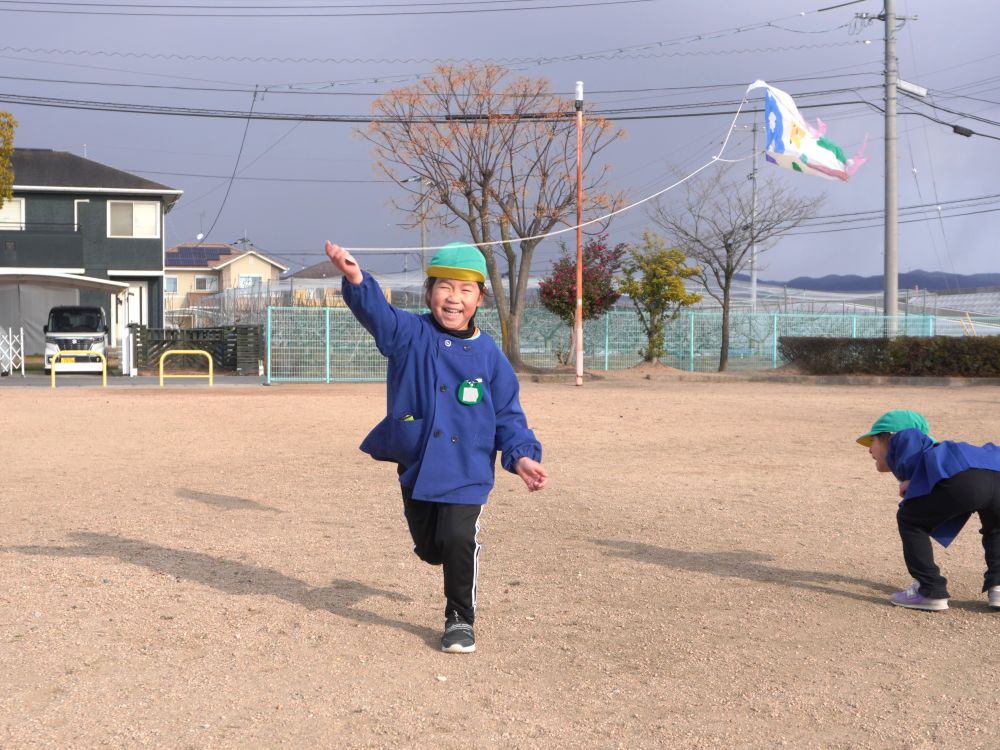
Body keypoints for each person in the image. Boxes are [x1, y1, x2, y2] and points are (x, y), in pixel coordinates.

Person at [324, 239, 548, 652]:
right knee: (432, 548)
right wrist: (356, 278)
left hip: (468, 467)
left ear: (479, 298)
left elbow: (508, 416)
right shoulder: (409, 334)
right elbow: (378, 315)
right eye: (445, 287)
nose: (453, 298)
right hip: (419, 462)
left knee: (459, 537)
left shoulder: (490, 357)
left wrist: (523, 457)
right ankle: (443, 553)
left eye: (465, 290)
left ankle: (460, 619)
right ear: (429, 293)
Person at [858, 409, 1000, 611]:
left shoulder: (908, 438)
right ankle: (999, 587)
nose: (869, 450)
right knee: (996, 530)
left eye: (872, 441)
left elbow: (909, 437)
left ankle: (929, 590)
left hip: (968, 477)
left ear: (889, 438)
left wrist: (908, 476)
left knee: (910, 519)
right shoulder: (940, 455)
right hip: (996, 468)